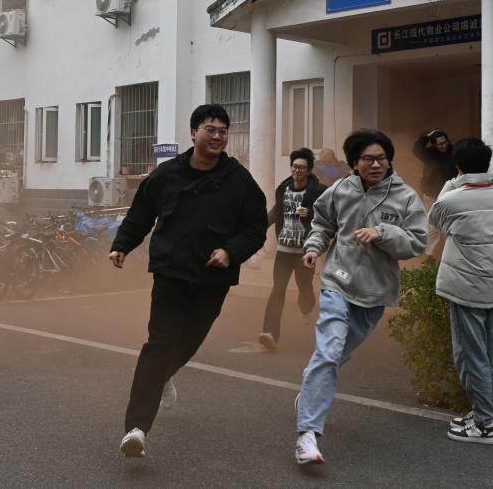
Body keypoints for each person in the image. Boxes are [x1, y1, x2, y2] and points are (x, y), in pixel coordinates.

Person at [109, 104, 267, 458]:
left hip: (213, 278)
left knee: (189, 342)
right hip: (171, 272)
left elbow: (256, 227)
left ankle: (163, 376)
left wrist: (230, 251)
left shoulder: (238, 180)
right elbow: (140, 214)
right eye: (210, 129)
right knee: (159, 343)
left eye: (223, 131)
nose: (217, 136)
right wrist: (122, 245)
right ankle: (137, 428)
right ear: (194, 133)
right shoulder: (167, 174)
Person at [294, 130, 428, 464]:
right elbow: (323, 224)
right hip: (337, 281)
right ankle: (307, 436)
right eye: (368, 159)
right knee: (329, 351)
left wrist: (382, 232)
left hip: (376, 292)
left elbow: (417, 242)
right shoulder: (341, 189)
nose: (376, 164)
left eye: (382, 158)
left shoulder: (405, 196)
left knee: (336, 355)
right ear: (354, 162)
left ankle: (310, 389)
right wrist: (313, 248)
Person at [429, 138, 493, 445]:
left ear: (458, 165)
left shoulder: (452, 200)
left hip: (465, 289)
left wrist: (452, 183)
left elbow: (434, 219)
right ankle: (484, 413)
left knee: (470, 356)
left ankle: (484, 425)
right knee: (490, 356)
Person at [258, 148, 327, 352]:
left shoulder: (318, 191)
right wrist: (257, 226)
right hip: (283, 250)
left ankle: (307, 308)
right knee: (277, 290)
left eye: (301, 168)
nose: (297, 170)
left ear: (309, 171)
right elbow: (275, 212)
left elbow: (329, 215)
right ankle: (270, 333)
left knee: (304, 287)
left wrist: (311, 212)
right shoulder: (283, 189)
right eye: (294, 166)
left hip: (305, 252)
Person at [412, 129, 458, 257]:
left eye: (445, 142)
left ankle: (451, 255)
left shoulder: (455, 152)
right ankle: (430, 256)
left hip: (450, 195)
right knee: (432, 227)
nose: (443, 146)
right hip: (431, 194)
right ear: (433, 145)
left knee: (450, 225)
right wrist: (427, 136)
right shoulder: (429, 154)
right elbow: (416, 149)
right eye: (440, 144)